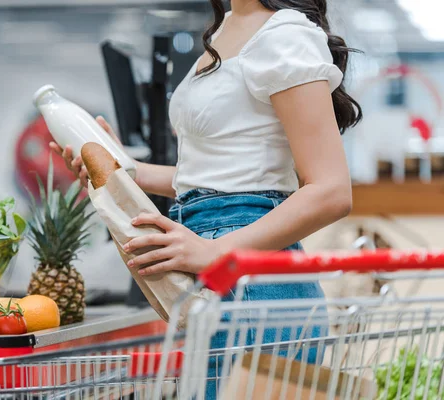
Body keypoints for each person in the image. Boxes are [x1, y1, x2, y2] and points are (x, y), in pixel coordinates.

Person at [52, 0, 362, 397]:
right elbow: (213, 178)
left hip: (252, 287)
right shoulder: (228, 27)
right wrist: (126, 170)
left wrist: (216, 251)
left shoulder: (284, 34)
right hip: (223, 277)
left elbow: (331, 191)